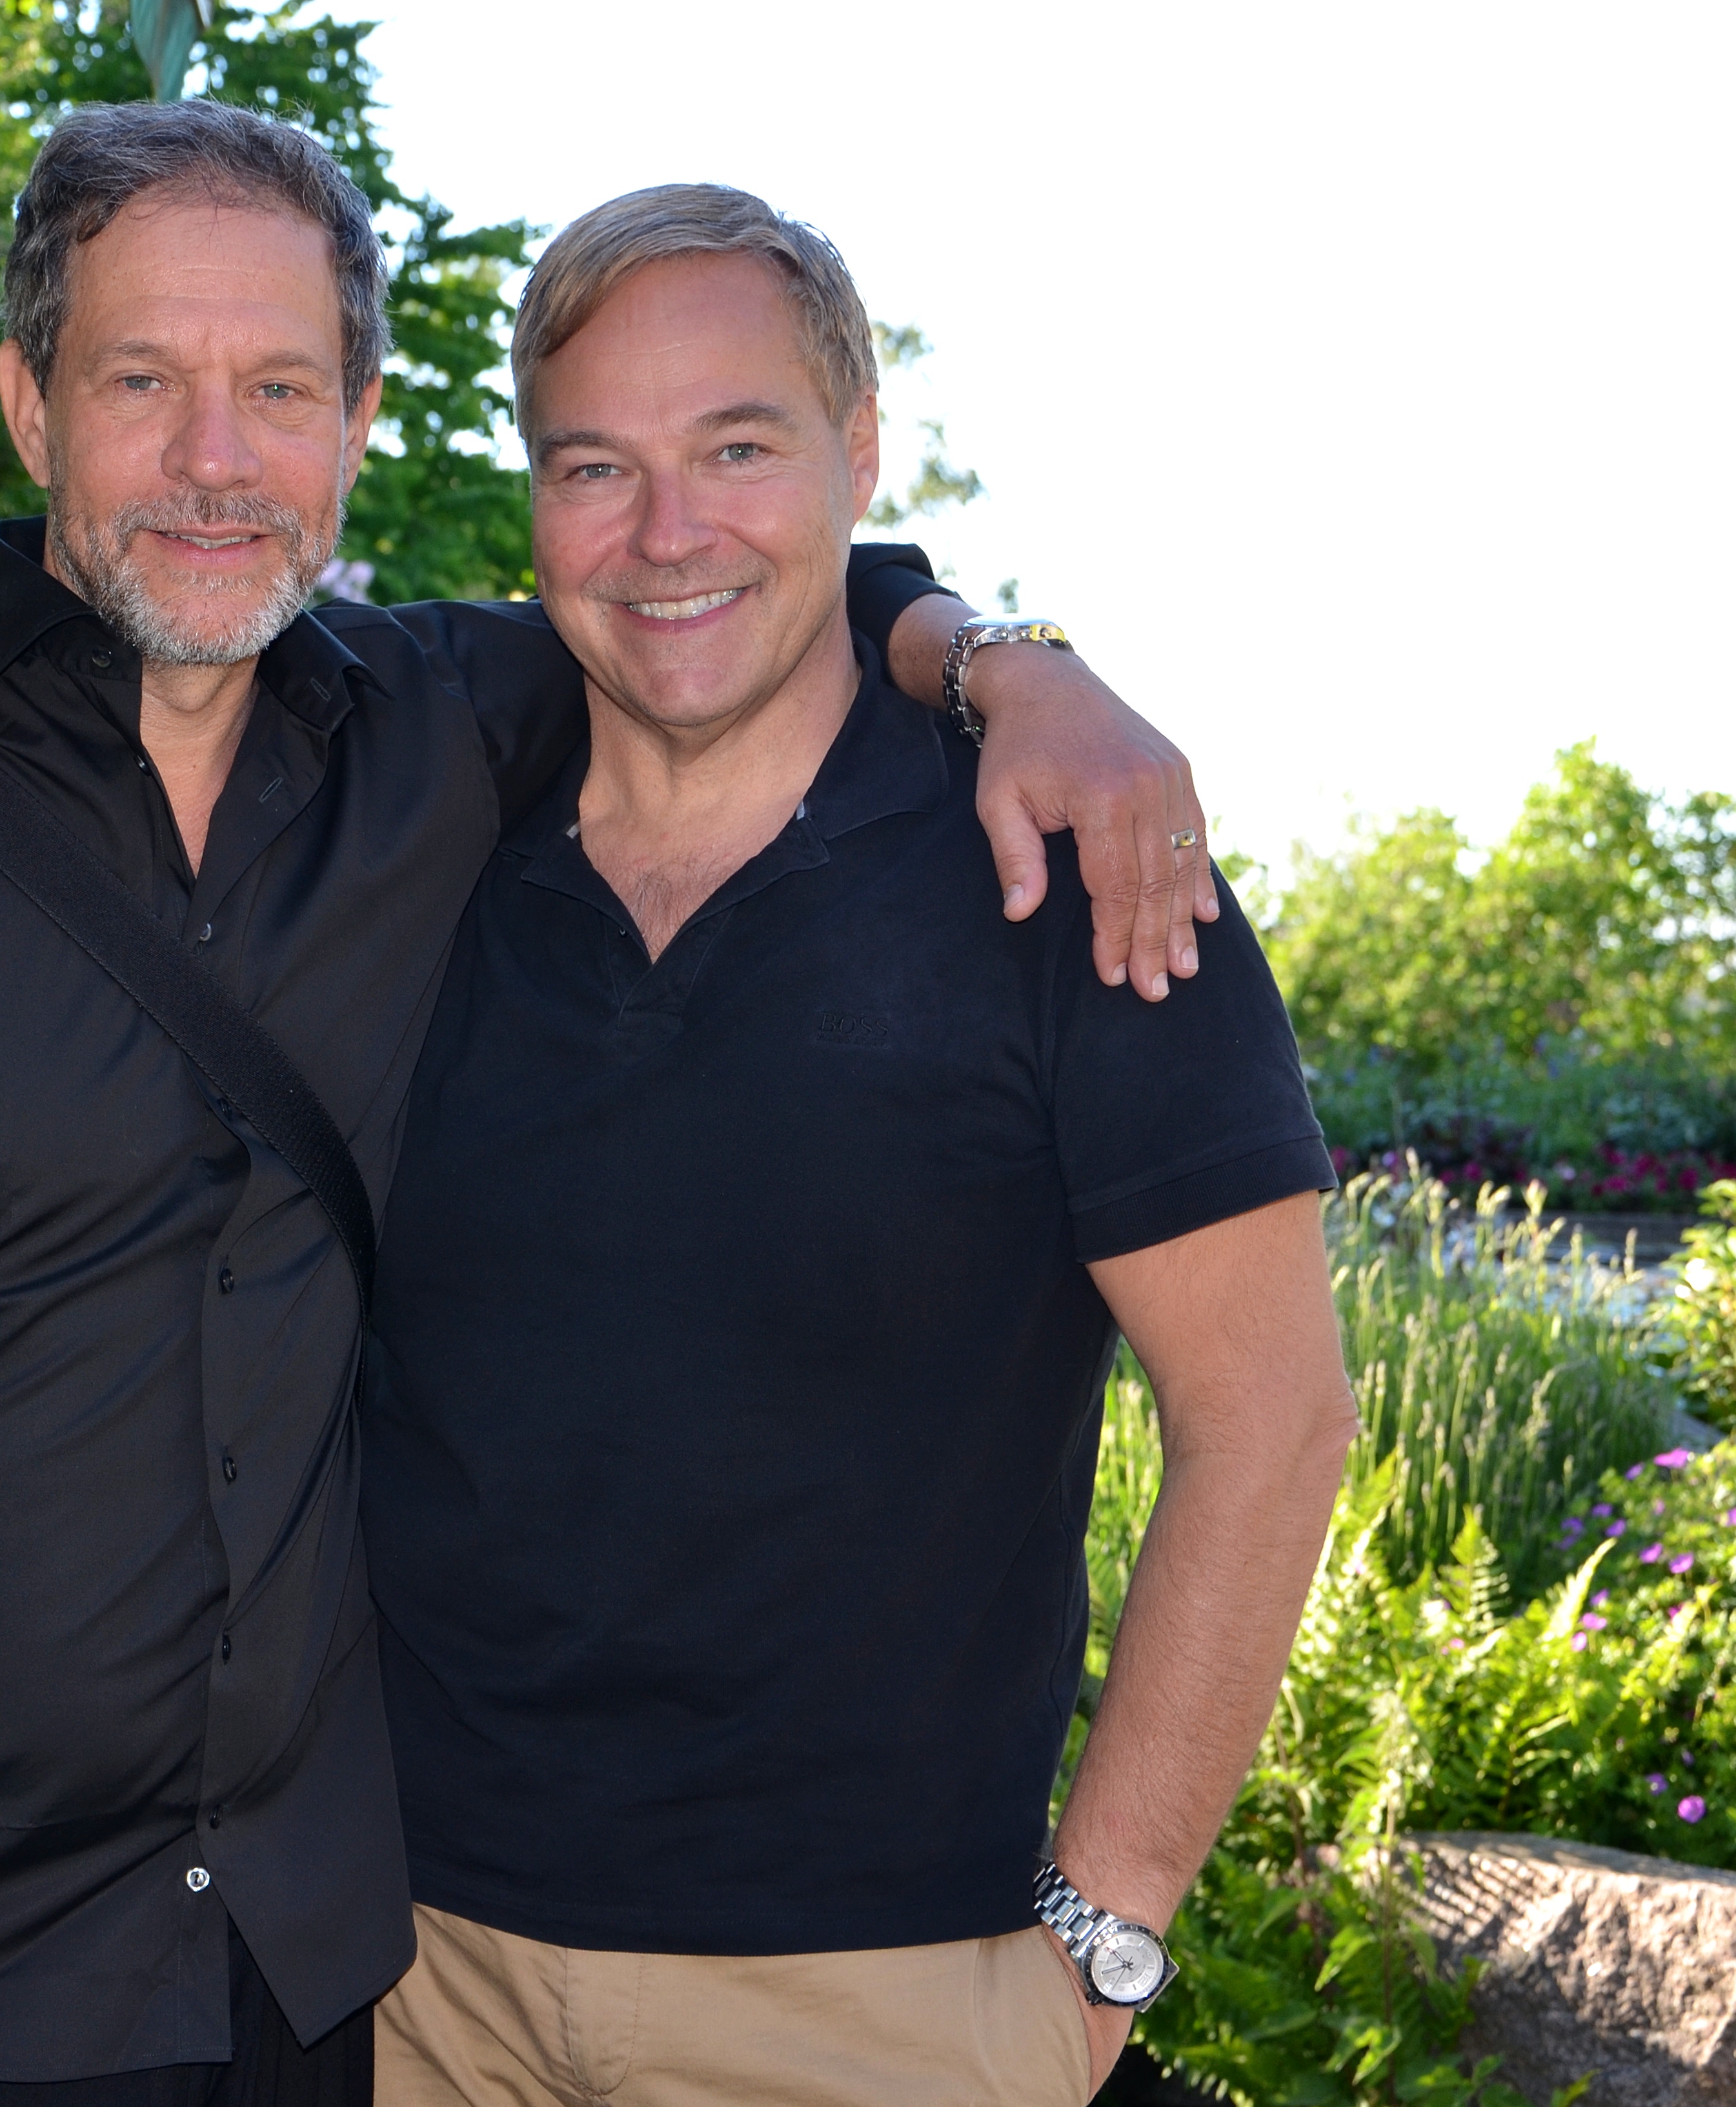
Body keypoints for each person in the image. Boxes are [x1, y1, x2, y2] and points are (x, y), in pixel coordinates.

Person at [0, 101, 1215, 2107]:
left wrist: (1012, 660)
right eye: (143, 381)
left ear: (362, 421)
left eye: (281, 389)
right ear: (31, 404)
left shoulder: (453, 737)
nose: (217, 460)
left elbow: (739, 575)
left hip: (320, 2010)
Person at [343, 185, 1358, 2107]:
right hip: (417, 1993)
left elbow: (1273, 1422)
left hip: (880, 2008)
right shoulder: (418, 837)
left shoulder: (1076, 869)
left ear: (860, 451)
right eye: (596, 466)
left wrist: (1103, 1941)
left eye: (739, 448)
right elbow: (142, 656)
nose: (667, 532)